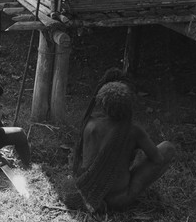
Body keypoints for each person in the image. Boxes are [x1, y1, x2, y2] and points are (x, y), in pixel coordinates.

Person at [70, 68, 176, 212]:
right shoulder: (133, 130)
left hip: (88, 193)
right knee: (167, 148)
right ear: (129, 105)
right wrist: (136, 156)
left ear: (102, 102)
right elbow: (157, 159)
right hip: (119, 198)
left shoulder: (89, 124)